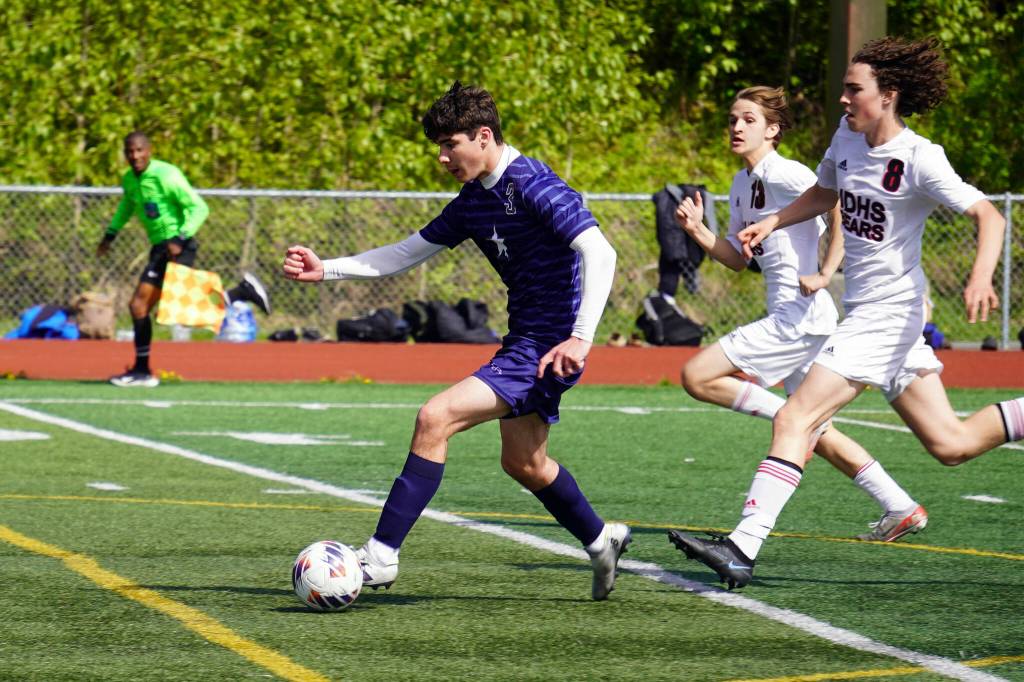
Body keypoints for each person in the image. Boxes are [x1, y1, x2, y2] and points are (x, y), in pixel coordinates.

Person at [670, 37, 1022, 590]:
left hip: (887, 316)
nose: (843, 99)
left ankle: (742, 546)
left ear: (889, 95)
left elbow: (989, 217)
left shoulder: (920, 158)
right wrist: (773, 223)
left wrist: (980, 277)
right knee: (951, 444)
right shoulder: (845, 138)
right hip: (872, 314)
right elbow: (824, 196)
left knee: (795, 418)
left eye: (854, 89)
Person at [282, 82, 631, 600]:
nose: (443, 157)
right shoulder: (474, 201)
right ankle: (602, 539)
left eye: (451, 144)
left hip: (547, 348)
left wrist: (580, 338)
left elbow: (600, 253)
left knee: (434, 417)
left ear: (484, 135)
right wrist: (326, 269)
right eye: (439, 147)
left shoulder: (531, 182)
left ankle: (379, 558)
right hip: (528, 343)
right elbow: (405, 253)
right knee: (524, 463)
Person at [667, 86, 926, 565]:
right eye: (732, 119)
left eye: (748, 118)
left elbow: (840, 209)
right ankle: (900, 506)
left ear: (772, 129)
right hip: (798, 321)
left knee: (697, 376)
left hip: (799, 317)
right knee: (814, 429)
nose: (737, 127)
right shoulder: (741, 183)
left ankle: (747, 536)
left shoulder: (787, 172)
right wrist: (698, 232)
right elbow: (737, 259)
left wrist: (827, 273)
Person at [97, 131, 272, 387]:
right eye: (130, 151)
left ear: (150, 150)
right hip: (160, 249)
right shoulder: (130, 180)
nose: (135, 156)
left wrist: (180, 237)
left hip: (179, 246)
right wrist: (110, 234)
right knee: (141, 308)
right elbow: (127, 205)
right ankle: (142, 371)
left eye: (139, 150)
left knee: (160, 308)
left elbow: (199, 207)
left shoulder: (166, 175)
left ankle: (239, 294)